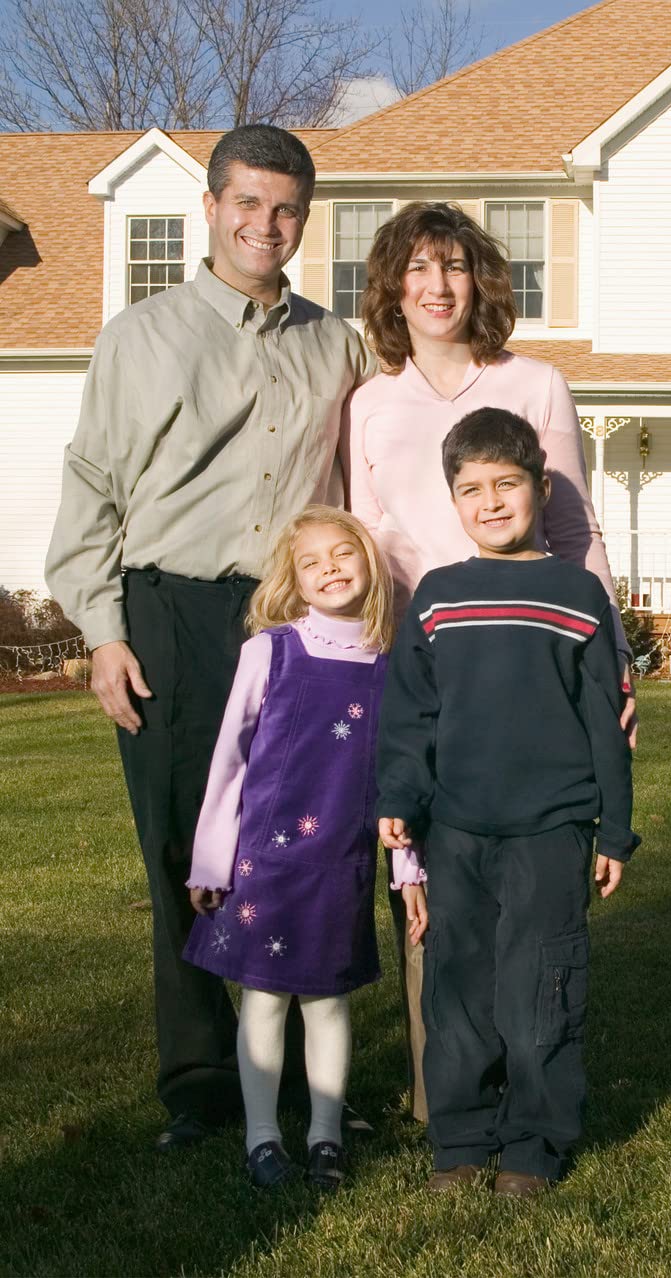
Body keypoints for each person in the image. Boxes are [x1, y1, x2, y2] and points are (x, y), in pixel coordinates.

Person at [44, 124, 371, 1151]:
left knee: (311, 846)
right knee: (183, 849)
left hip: (294, 622)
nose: (264, 225)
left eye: (284, 210)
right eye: (246, 203)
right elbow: (93, 491)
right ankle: (198, 1079)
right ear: (212, 208)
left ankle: (306, 1069)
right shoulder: (139, 337)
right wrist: (103, 632)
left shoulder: (338, 344)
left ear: (303, 222)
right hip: (171, 614)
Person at [344, 200, 634, 1121]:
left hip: (533, 666)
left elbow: (574, 526)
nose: (436, 287)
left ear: (481, 281)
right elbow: (370, 538)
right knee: (433, 885)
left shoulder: (537, 384)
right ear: (394, 285)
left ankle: (528, 1085)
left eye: (455, 267)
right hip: (426, 668)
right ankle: (448, 1093)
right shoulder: (370, 403)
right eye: (418, 269)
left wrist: (614, 660)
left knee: (529, 893)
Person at [376, 408, 638, 1198]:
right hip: (455, 830)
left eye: (506, 484)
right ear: (453, 500)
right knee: (455, 990)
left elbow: (607, 723)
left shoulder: (577, 594)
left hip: (550, 832)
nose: (489, 502)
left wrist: (614, 831)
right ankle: (458, 1142)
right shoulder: (437, 597)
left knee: (540, 991)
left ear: (539, 486)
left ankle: (532, 1147)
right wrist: (398, 796)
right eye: (470, 489)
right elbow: (410, 713)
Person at [183, 508, 393, 1189]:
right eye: (312, 561)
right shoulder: (269, 650)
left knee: (327, 1003)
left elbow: (402, 776)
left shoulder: (393, 662)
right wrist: (211, 859)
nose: (330, 567)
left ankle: (326, 1136)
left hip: (342, 864)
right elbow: (229, 760)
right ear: (294, 581)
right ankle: (262, 1137)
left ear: (368, 563)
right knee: (265, 1000)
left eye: (344, 553)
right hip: (264, 865)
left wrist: (408, 859)